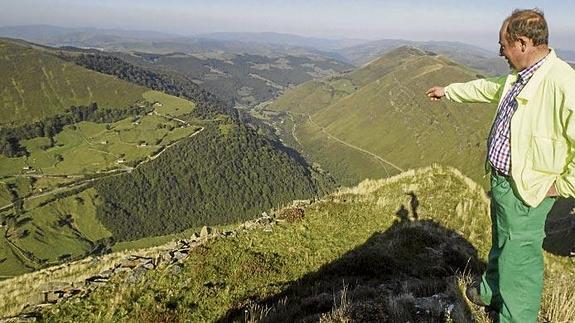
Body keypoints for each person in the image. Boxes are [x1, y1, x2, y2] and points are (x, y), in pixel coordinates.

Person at [426, 8, 575, 323]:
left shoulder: (563, 81)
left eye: (503, 45)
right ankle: (492, 291)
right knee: (502, 242)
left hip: (527, 191)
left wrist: (562, 185)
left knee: (519, 260)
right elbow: (485, 88)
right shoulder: (520, 77)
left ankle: (515, 317)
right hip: (503, 181)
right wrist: (448, 91)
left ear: (522, 43)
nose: (500, 53)